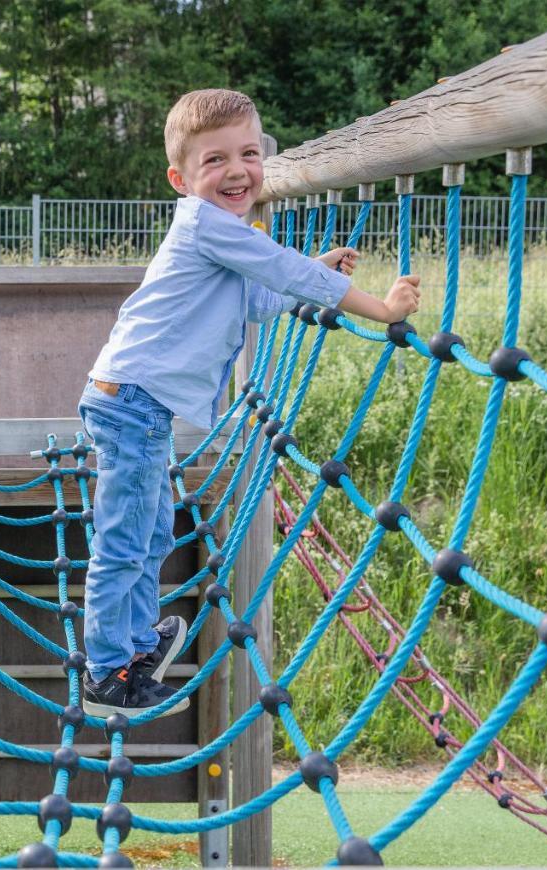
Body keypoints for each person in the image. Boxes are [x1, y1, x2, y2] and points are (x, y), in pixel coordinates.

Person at [78, 88, 420, 717]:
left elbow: (260, 298)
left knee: (153, 531)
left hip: (139, 404)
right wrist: (380, 306)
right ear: (180, 179)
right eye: (214, 162)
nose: (237, 171)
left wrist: (316, 267)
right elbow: (287, 275)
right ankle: (106, 673)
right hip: (130, 402)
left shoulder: (227, 232)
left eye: (249, 153)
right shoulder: (206, 223)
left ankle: (133, 644)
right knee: (125, 540)